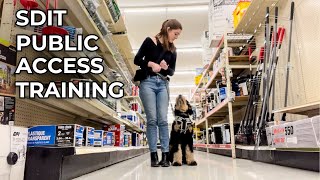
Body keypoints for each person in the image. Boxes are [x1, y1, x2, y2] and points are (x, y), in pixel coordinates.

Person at [134, 19, 182, 167]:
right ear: (167, 29)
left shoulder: (173, 50)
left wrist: (164, 68)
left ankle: (166, 156)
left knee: (162, 119)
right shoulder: (150, 41)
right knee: (152, 120)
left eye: (178, 34)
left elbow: (172, 72)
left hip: (163, 84)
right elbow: (137, 59)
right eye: (175, 33)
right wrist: (150, 64)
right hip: (147, 82)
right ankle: (153, 155)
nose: (176, 37)